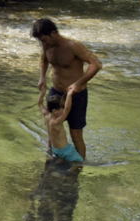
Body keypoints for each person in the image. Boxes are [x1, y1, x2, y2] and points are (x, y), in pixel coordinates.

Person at [31, 18, 102, 160]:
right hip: (55, 92)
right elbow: (44, 60)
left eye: (44, 40)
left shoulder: (73, 46)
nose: (43, 44)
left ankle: (80, 165)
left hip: (76, 95)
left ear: (53, 33)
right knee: (52, 128)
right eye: (41, 42)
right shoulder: (47, 46)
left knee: (76, 134)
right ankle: (51, 159)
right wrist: (42, 77)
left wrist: (79, 83)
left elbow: (96, 64)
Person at [39, 88, 83, 163]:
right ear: (55, 111)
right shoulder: (56, 122)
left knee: (63, 158)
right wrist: (69, 94)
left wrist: (42, 92)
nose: (63, 110)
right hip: (65, 150)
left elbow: (40, 103)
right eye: (61, 108)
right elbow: (67, 109)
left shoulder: (46, 116)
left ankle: (58, 162)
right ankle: (71, 171)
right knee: (80, 161)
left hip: (55, 149)